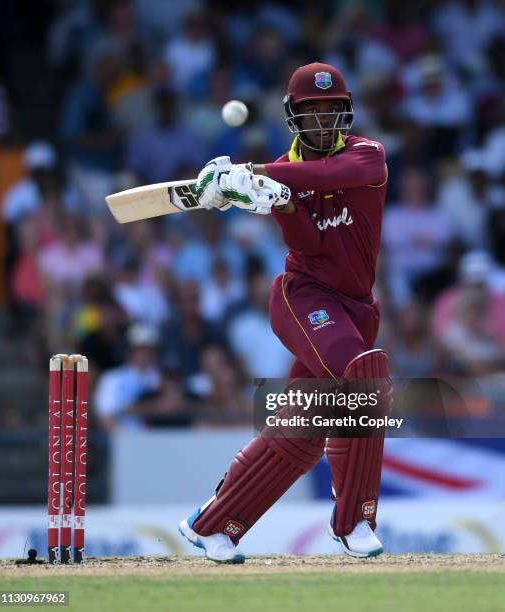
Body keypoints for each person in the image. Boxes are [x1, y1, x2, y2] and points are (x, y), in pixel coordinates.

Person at [178, 62, 392, 563]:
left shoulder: (368, 156)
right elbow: (309, 246)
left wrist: (253, 175)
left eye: (332, 112)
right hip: (304, 299)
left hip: (357, 308)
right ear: (294, 117)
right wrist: (281, 203)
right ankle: (355, 522)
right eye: (312, 113)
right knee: (365, 377)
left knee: (302, 431)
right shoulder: (283, 176)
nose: (323, 123)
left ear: (347, 114)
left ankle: (211, 526)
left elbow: (335, 173)